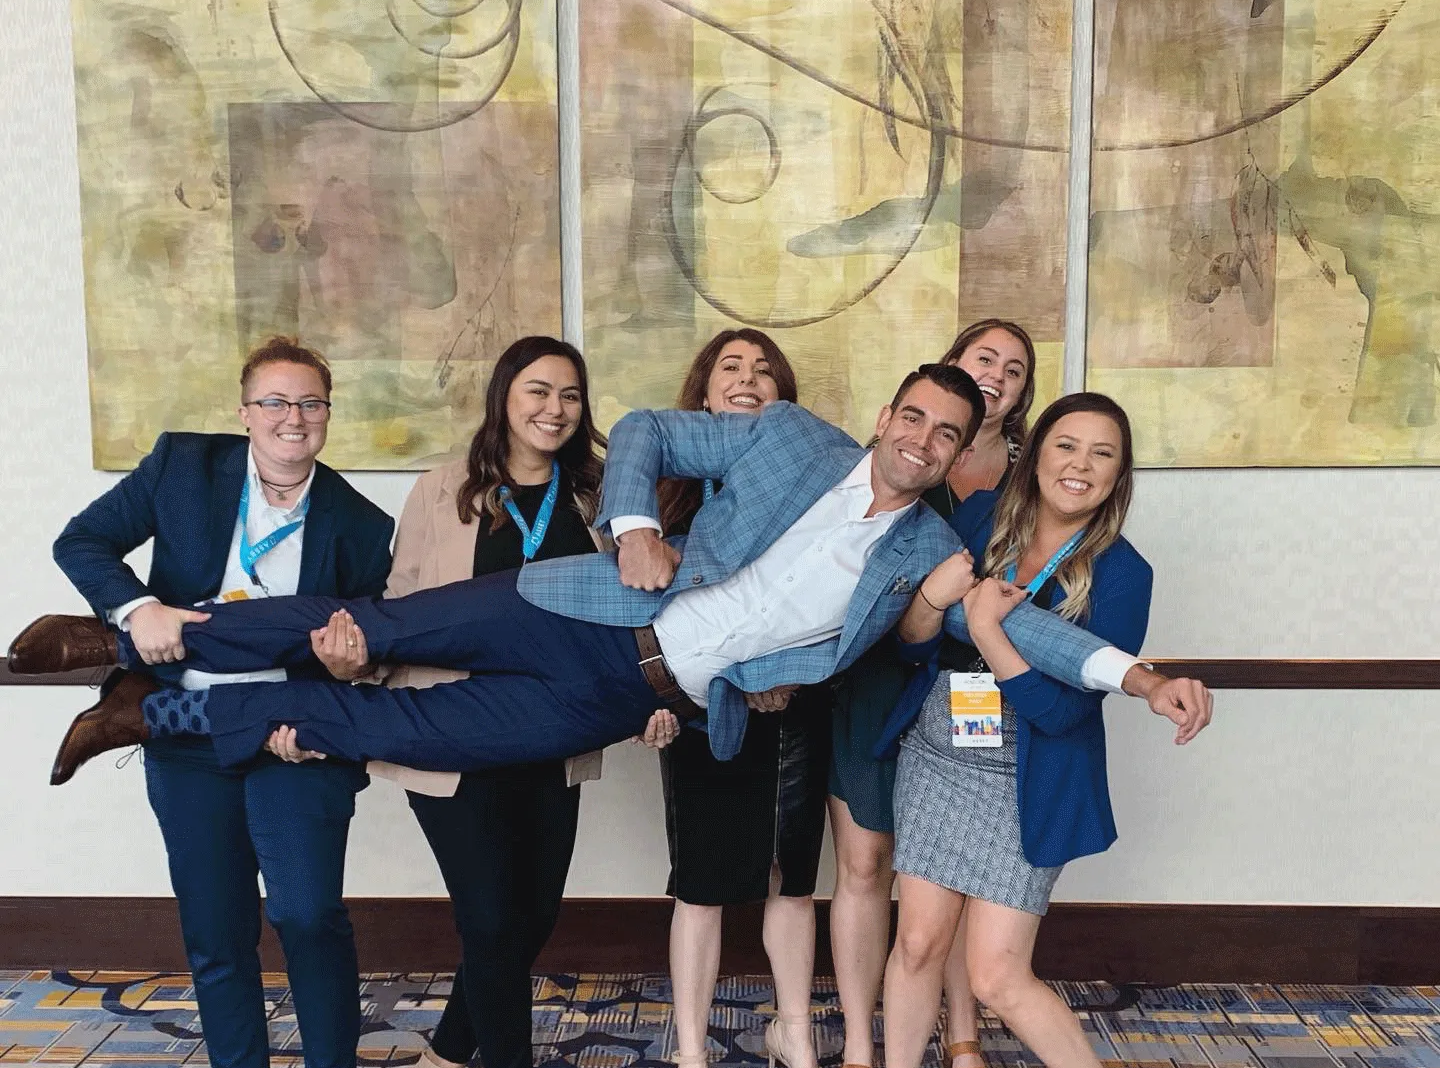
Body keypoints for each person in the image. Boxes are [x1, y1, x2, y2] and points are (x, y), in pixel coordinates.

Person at [12, 366, 1211, 821]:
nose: (921, 440)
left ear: (957, 453)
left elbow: (1032, 622)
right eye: (912, 416)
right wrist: (634, 524)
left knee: (387, 725)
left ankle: (152, 712)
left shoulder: (929, 557)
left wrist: (1141, 674)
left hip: (621, 697)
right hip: (574, 603)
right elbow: (642, 429)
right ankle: (140, 632)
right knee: (366, 631)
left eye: (946, 435)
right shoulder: (789, 438)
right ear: (889, 414)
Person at [280, 337, 675, 1068]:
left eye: (571, 395)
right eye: (538, 391)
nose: (555, 409)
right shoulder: (443, 491)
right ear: (504, 397)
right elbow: (401, 613)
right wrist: (356, 676)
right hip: (455, 741)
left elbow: (632, 625)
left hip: (553, 743)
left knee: (527, 923)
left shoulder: (600, 499)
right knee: (493, 923)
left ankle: (441, 1062)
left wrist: (649, 701)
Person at [21, 336, 395, 1068]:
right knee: (216, 924)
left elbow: (371, 653)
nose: (291, 419)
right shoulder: (183, 468)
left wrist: (348, 667)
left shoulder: (363, 525)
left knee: (306, 913)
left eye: (309, 404)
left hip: (292, 740)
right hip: (188, 739)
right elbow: (81, 543)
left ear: (329, 416)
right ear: (244, 412)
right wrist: (137, 603)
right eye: (275, 403)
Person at [862, 392, 1157, 1068]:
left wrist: (991, 631)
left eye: (1102, 454)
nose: (1080, 466)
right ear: (1036, 454)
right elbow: (913, 637)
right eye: (1067, 445)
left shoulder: (1124, 574)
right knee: (918, 943)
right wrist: (936, 604)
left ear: (1119, 475)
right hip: (936, 758)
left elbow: (1063, 711)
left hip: (1025, 781)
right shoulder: (981, 515)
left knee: (996, 976)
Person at [827, 319, 1036, 1068]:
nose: (998, 376)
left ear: (1021, 396)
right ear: (947, 367)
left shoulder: (1029, 476)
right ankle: (856, 1050)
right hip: (879, 682)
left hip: (974, 692)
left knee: (952, 870)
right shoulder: (900, 451)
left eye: (1014, 371)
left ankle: (963, 1033)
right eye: (984, 358)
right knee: (866, 862)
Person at [655, 329, 835, 1068]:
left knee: (791, 879)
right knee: (701, 886)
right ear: (702, 391)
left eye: (765, 370)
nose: (749, 378)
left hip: (797, 702)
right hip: (697, 709)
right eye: (731, 365)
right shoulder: (665, 497)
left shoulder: (813, 484)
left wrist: (791, 671)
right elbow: (633, 610)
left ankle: (795, 1039)